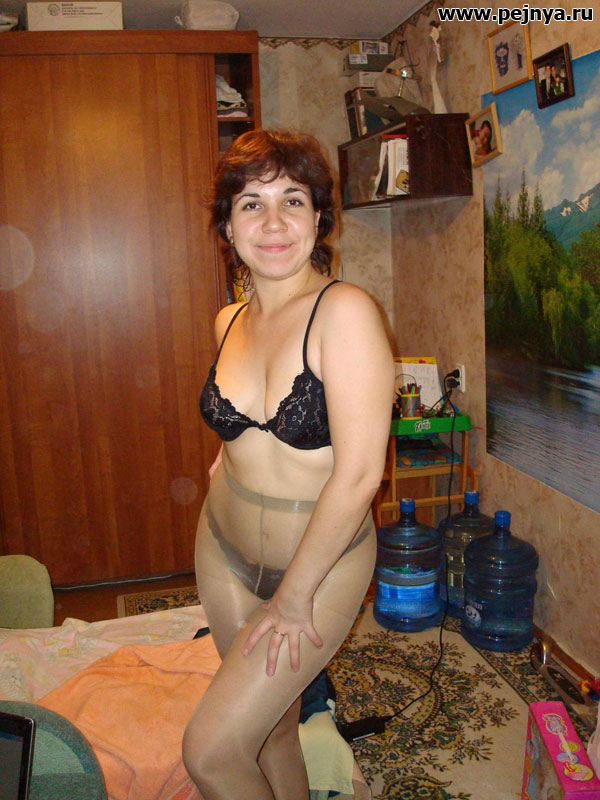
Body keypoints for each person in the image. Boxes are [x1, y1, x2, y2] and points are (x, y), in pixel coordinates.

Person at [182, 129, 394, 800]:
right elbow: (239, 428)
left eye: (292, 201)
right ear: (228, 225)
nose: (273, 223)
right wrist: (221, 467)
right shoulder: (228, 321)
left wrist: (294, 597)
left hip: (320, 570)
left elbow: (360, 475)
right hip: (222, 550)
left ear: (319, 218)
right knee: (270, 727)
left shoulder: (345, 313)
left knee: (210, 753)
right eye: (252, 204)